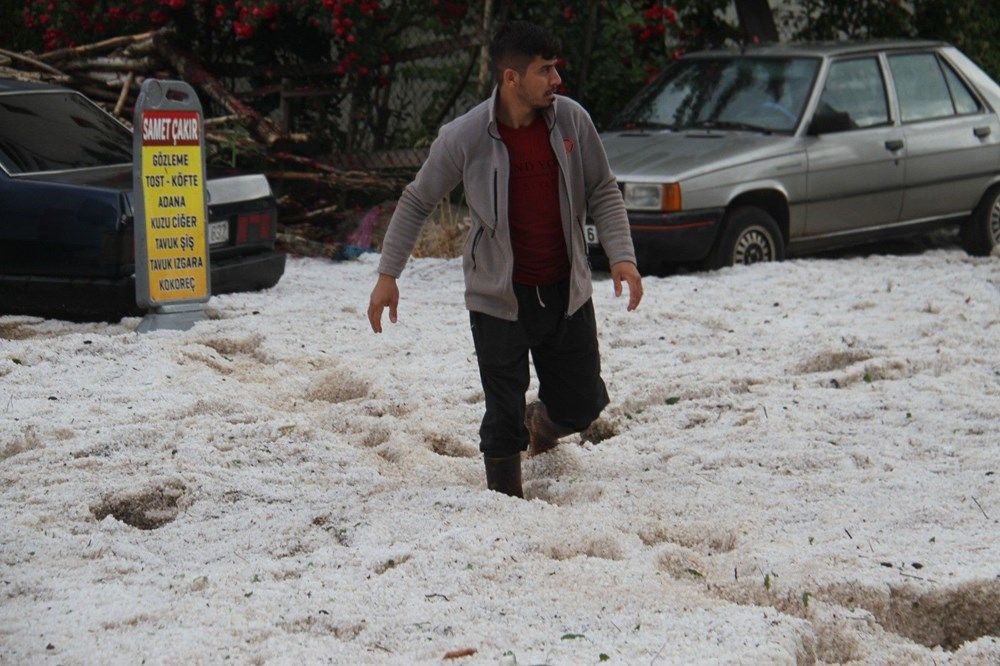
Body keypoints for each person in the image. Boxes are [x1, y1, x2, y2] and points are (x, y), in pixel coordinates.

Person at [367, 20, 642, 498]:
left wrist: (622, 256)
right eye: (545, 71)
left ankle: (543, 423)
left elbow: (602, 187)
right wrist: (388, 274)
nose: (557, 80)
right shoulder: (466, 136)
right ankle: (504, 505)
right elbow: (417, 200)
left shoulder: (572, 120)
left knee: (582, 404)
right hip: (499, 298)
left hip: (565, 292)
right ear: (511, 79)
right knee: (502, 411)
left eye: (556, 68)